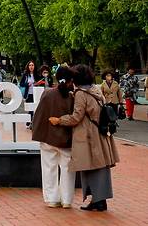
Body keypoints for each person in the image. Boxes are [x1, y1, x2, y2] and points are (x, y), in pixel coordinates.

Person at [49, 64, 119, 212]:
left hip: (88, 136)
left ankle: (97, 201)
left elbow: (76, 117)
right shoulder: (95, 89)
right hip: (100, 133)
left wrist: (59, 120)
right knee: (101, 166)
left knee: (91, 167)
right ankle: (100, 200)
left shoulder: (81, 93)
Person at [32, 66, 76, 208]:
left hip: (48, 138)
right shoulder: (71, 97)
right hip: (66, 139)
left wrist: (37, 133)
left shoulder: (47, 94)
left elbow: (39, 116)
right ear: (70, 81)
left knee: (48, 168)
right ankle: (67, 200)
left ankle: (52, 198)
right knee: (67, 169)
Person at [20, 60, 37, 128]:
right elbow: (21, 83)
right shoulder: (25, 75)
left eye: (32, 65)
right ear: (28, 66)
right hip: (28, 94)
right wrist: (27, 84)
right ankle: (29, 122)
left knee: (34, 109)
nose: (31, 66)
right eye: (30, 65)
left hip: (35, 93)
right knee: (31, 109)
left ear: (34, 66)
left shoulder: (36, 75)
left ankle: (31, 122)